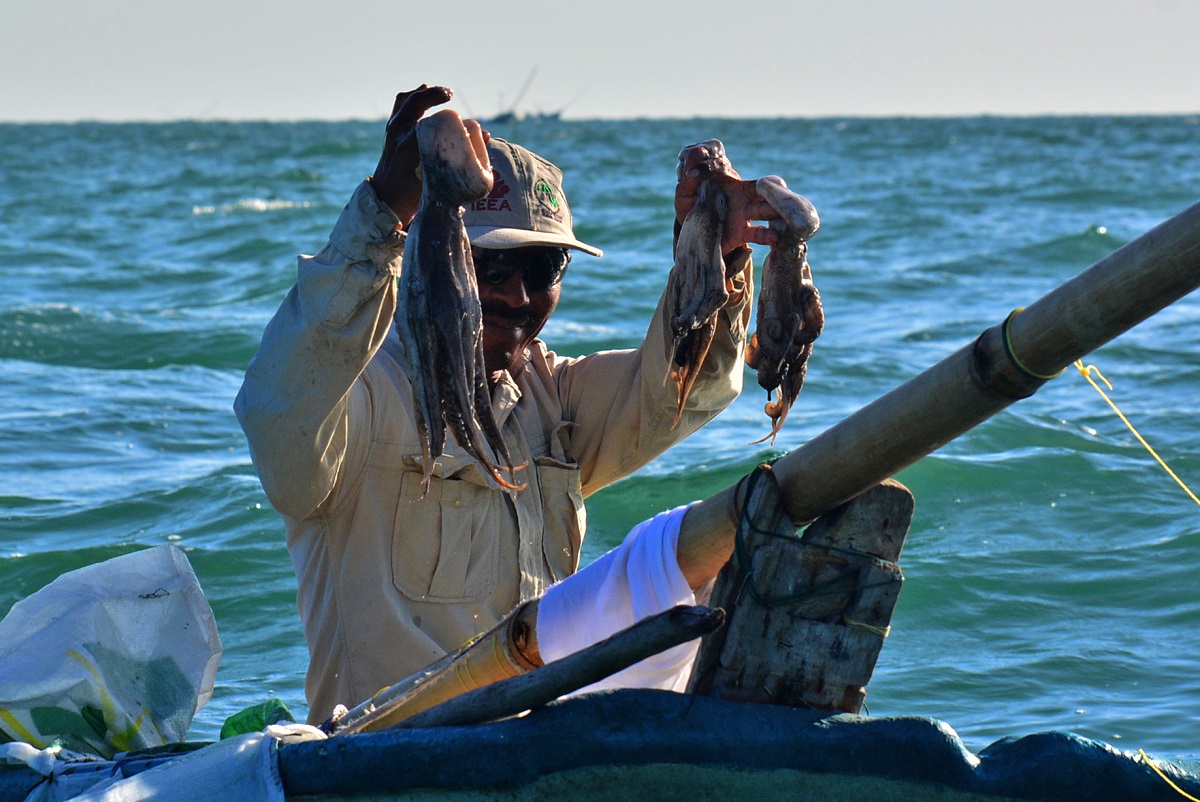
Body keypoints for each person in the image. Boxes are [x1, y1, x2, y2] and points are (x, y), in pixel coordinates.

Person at [235, 84, 784, 723]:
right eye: (490, 266)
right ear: (431, 256)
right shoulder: (355, 400)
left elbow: (677, 395)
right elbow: (278, 410)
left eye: (544, 268)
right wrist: (382, 212)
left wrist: (712, 254)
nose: (518, 297)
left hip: (536, 753)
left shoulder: (550, 399)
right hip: (388, 758)